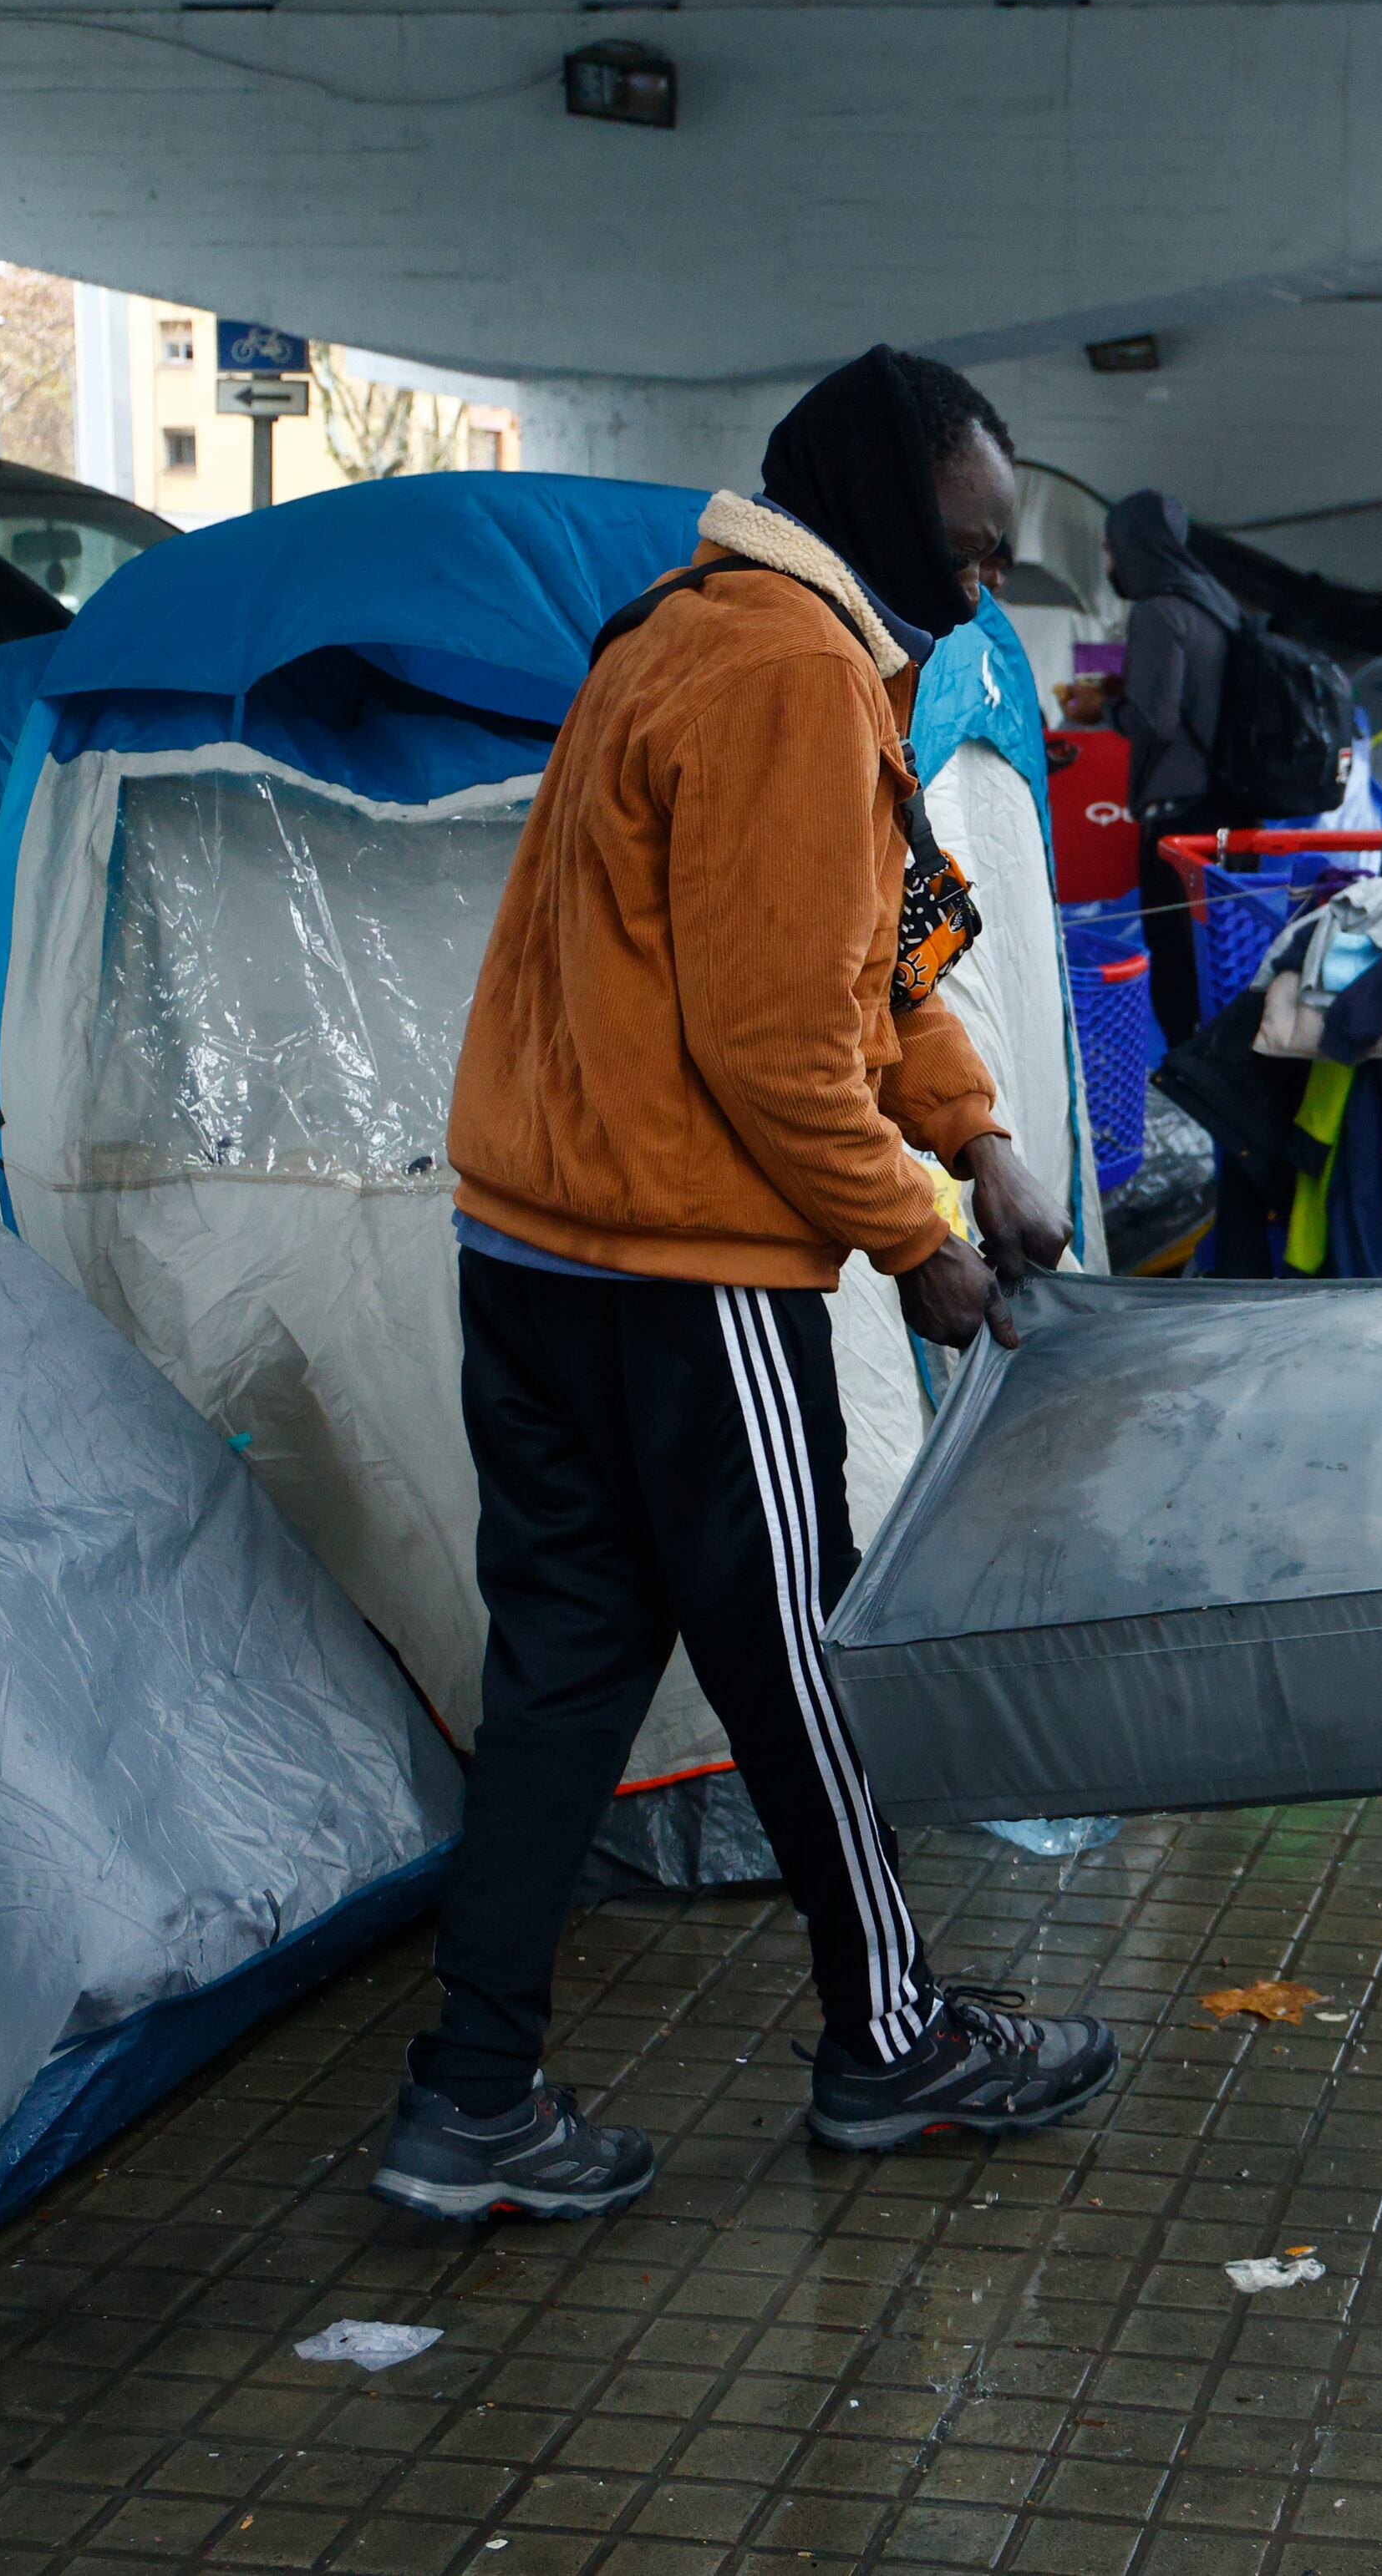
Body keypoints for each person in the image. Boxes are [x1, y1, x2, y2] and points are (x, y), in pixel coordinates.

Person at [377, 346, 1120, 2226]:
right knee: (802, 1651)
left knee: (559, 1676)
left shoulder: (696, 633)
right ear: (882, 511)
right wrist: (921, 1242)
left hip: (531, 1252)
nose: (980, 588)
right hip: (681, 1270)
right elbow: (780, 1045)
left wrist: (987, 1134)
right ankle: (892, 2040)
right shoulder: (792, 673)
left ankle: (471, 2094)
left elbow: (891, 955)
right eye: (966, 549)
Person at [1104, 489, 1240, 1042]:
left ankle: (1188, 1081)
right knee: (1219, 958)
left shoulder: (1158, 609)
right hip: (1228, 810)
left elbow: (1152, 721)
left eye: (1112, 551)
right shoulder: (1218, 603)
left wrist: (1105, 707)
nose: (1112, 565)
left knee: (1176, 964)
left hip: (1176, 815)